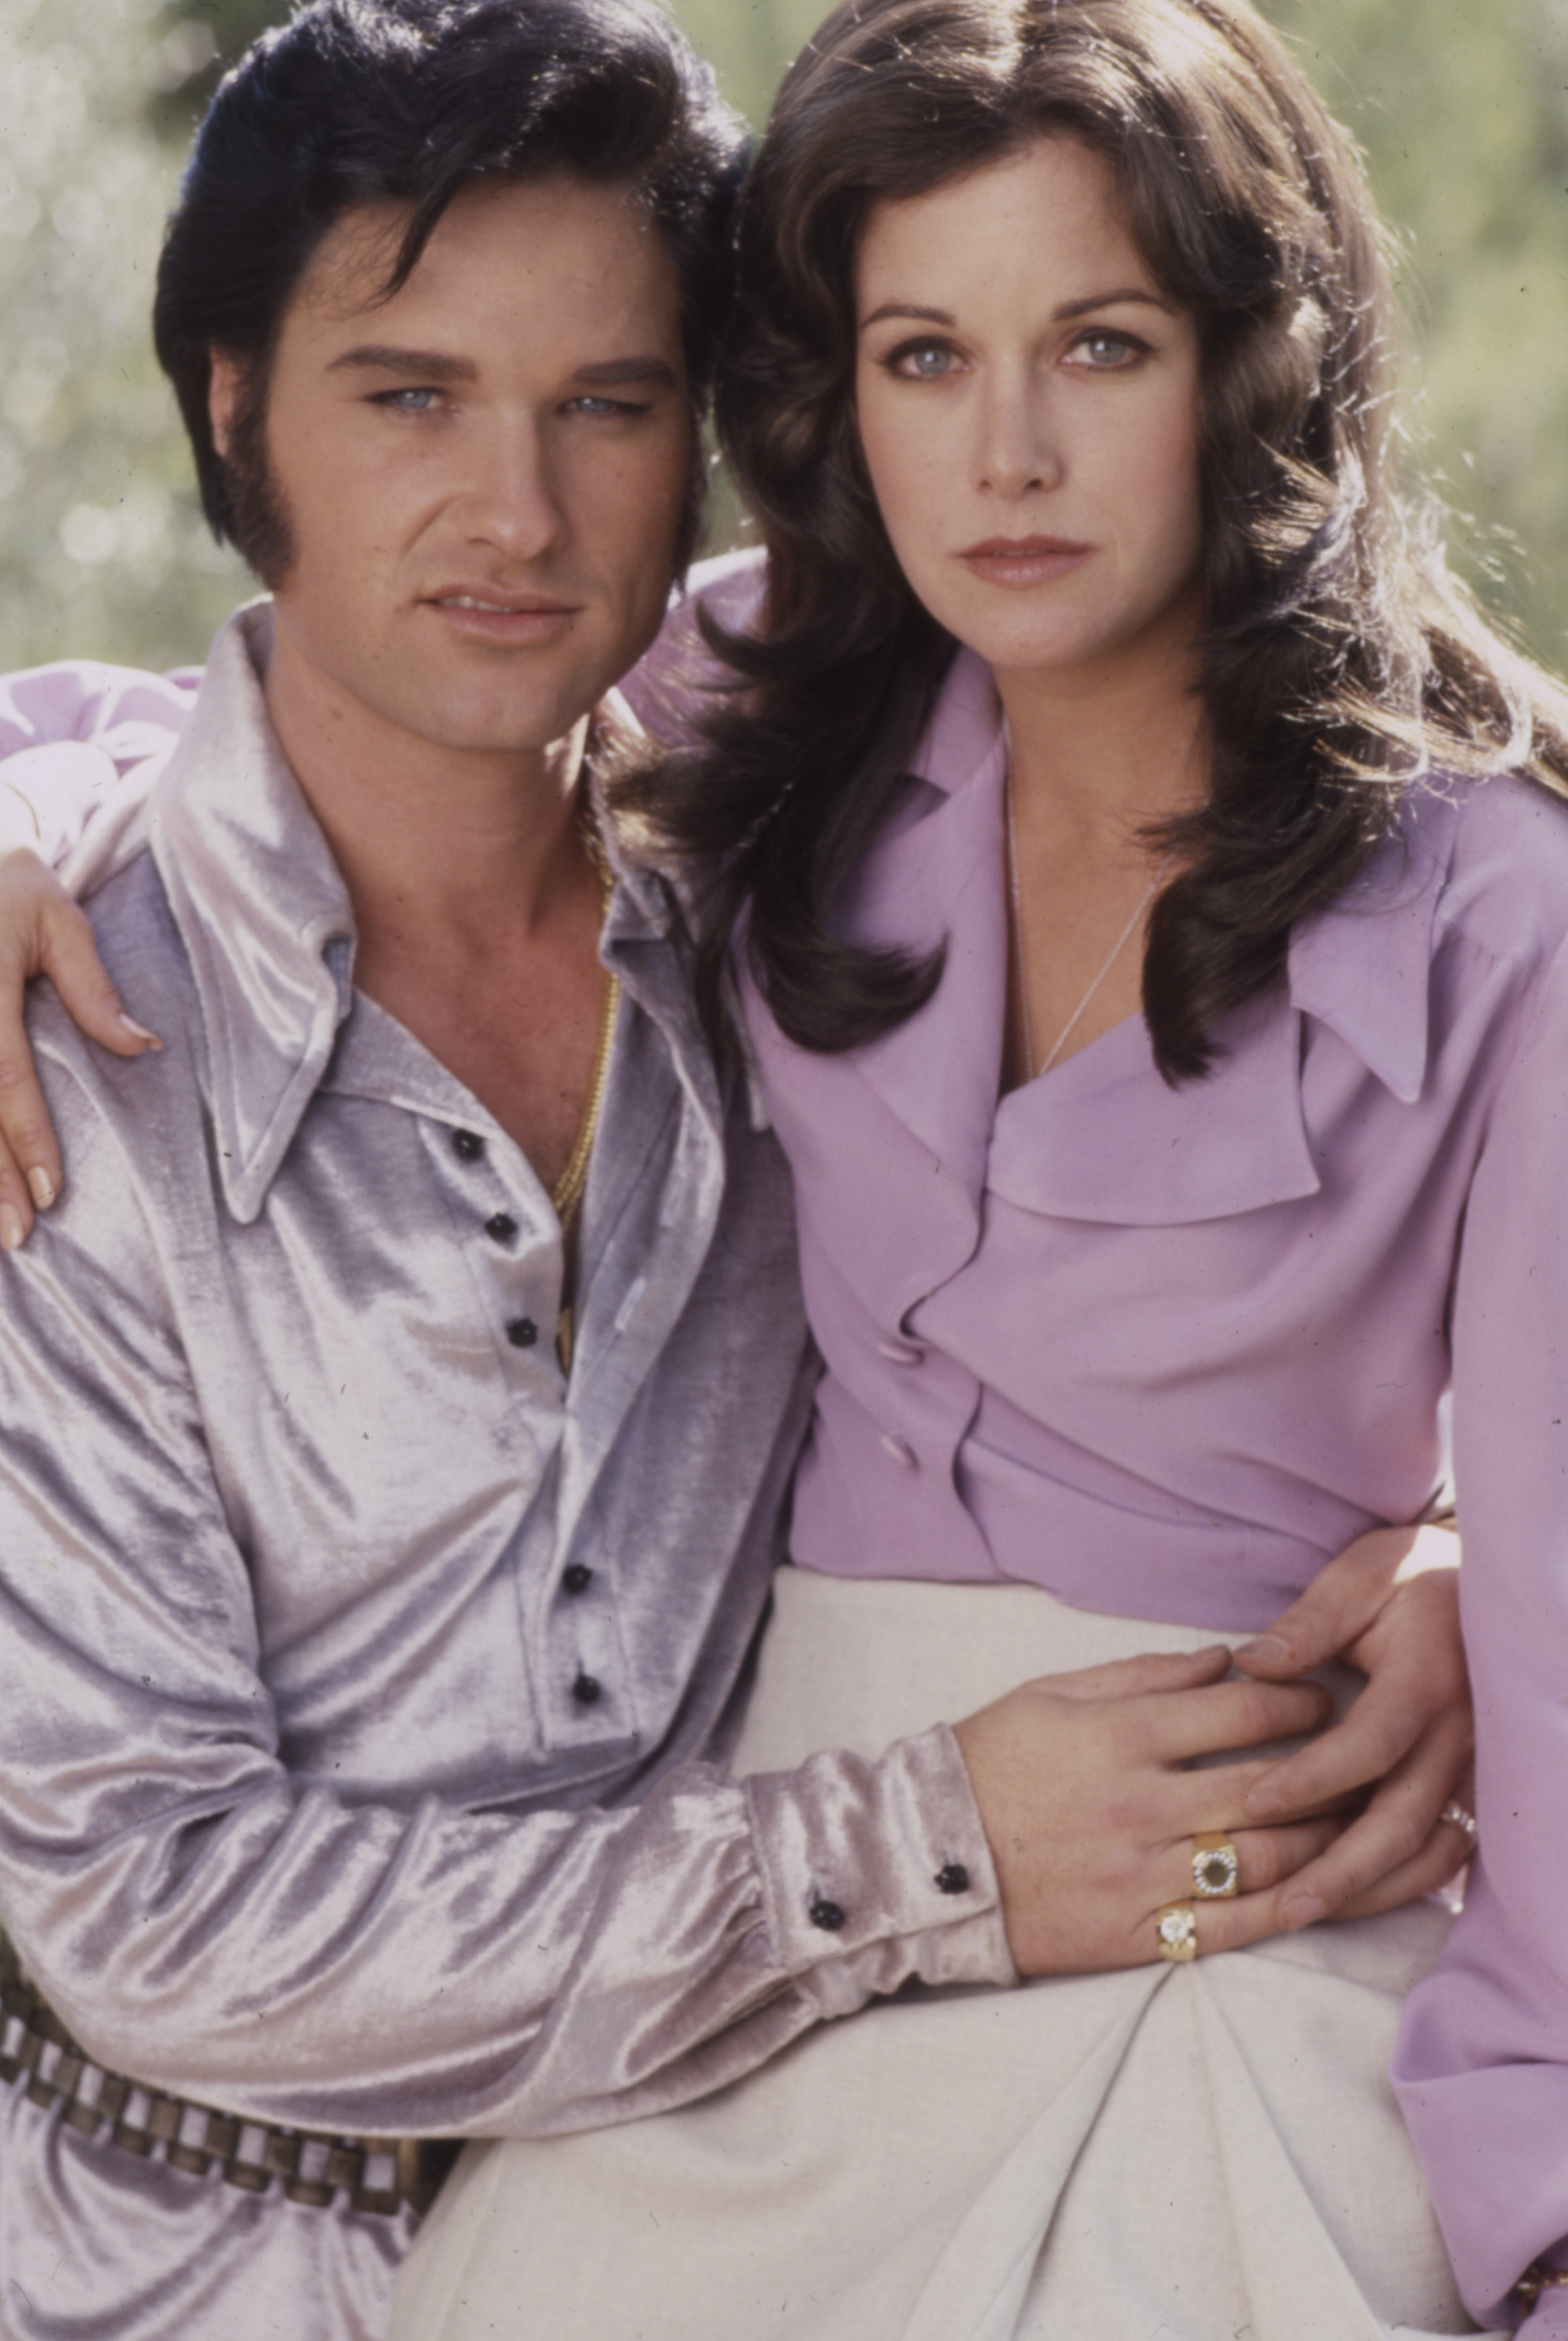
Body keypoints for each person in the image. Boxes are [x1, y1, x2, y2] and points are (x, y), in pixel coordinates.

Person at [0, 3, 1486, 2340]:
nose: (518, 511)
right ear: (222, 400)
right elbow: (150, 1909)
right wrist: (933, 1854)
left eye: (607, 405)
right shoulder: (62, 1050)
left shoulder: (773, 868)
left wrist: (1450, 1530)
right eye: (408, 396)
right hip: (164, 2265)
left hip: (786, 2161)